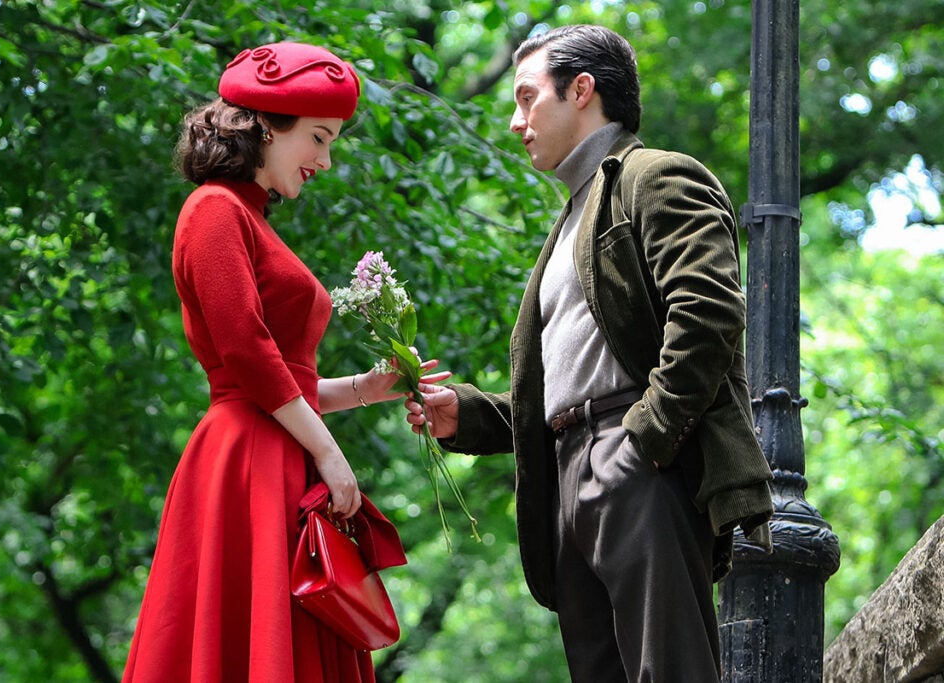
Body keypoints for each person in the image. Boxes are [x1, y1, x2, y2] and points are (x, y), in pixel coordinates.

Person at [405, 25, 774, 682]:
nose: (517, 121)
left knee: (672, 670)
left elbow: (710, 312)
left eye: (526, 98)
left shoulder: (657, 177)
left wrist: (645, 439)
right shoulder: (571, 218)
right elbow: (564, 386)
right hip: (568, 473)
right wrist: (466, 415)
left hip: (638, 462)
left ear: (582, 90)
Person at [122, 42, 445, 682]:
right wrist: (329, 453)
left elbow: (281, 377)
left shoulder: (251, 217)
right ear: (265, 124)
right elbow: (245, 352)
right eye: (319, 138)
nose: (326, 160)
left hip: (273, 452)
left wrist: (367, 387)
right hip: (246, 460)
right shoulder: (215, 208)